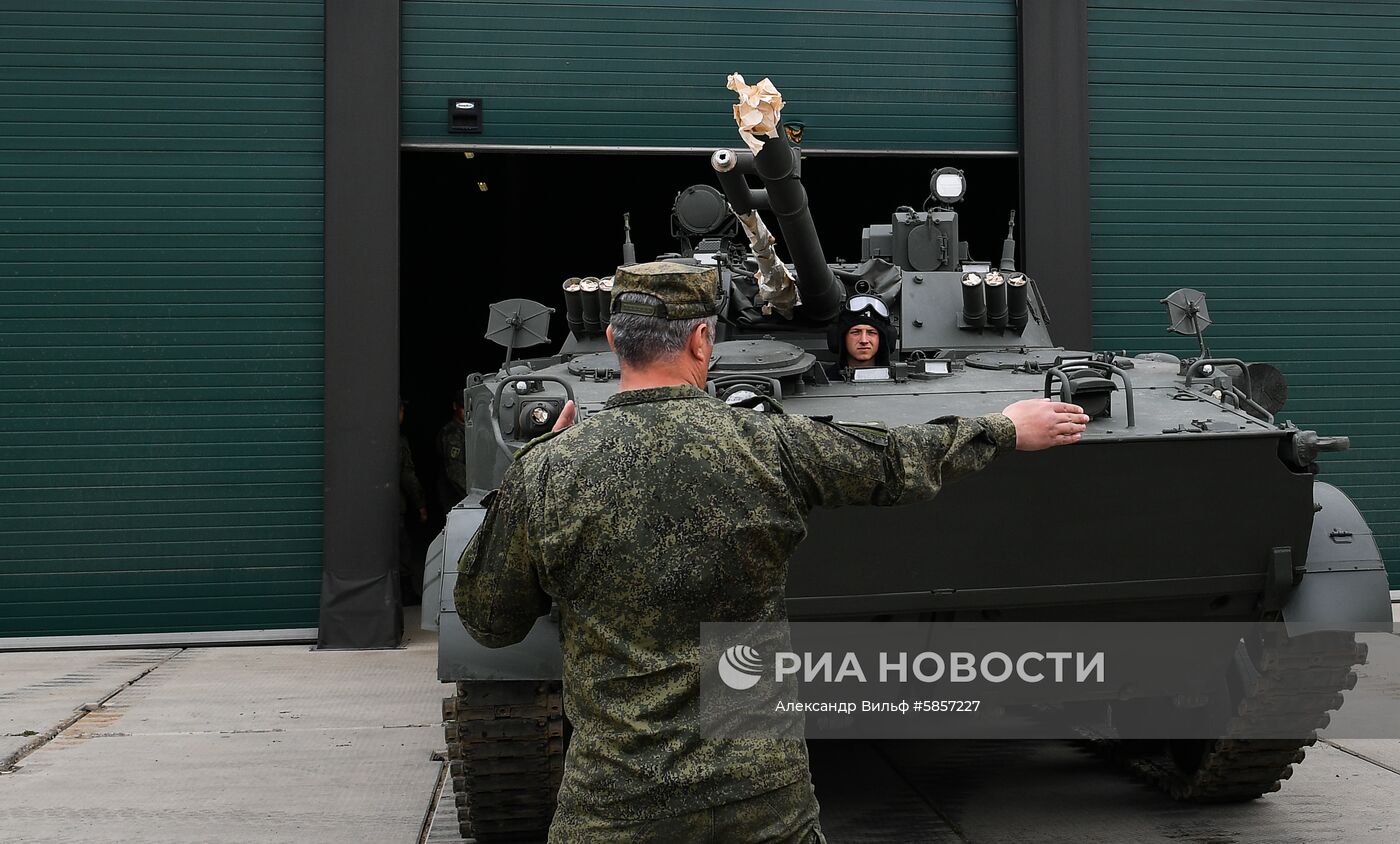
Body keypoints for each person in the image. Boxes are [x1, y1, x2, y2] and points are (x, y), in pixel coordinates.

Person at [455, 261, 1088, 843]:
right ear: (704, 340)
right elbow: (894, 462)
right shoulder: (768, 444)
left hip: (617, 802)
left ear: (616, 341)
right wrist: (1003, 428)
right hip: (759, 798)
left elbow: (490, 621)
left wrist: (533, 469)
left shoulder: (549, 471)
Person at [399, 398, 428, 603]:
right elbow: (407, 476)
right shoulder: (398, 441)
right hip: (393, 507)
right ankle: (405, 594)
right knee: (401, 549)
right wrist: (420, 505)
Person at [824, 294, 893, 379]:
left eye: (871, 332)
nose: (863, 340)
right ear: (842, 338)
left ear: (881, 339)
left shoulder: (898, 378)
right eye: (856, 332)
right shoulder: (826, 380)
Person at [437, 395, 468, 514]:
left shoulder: (468, 430)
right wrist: (471, 493)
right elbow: (455, 470)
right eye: (463, 407)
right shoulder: (452, 434)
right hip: (455, 495)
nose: (466, 412)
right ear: (455, 406)